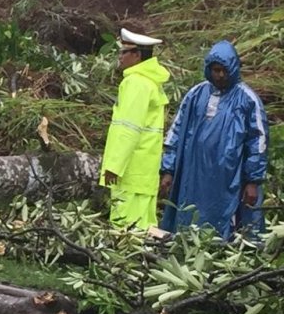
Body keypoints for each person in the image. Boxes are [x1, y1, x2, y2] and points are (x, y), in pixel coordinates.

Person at [160, 40, 268, 239]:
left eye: (223, 71)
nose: (219, 75)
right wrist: (168, 169)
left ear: (233, 69)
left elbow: (258, 143)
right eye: (215, 70)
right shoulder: (195, 95)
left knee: (227, 224)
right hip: (193, 177)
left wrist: (253, 180)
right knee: (190, 220)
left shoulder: (247, 99)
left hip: (228, 178)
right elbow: (176, 133)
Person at [100, 28, 170, 229]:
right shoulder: (150, 82)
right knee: (144, 227)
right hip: (145, 169)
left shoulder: (135, 83)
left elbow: (128, 129)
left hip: (130, 170)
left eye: (123, 52)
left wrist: (114, 166)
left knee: (125, 227)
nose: (119, 57)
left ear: (137, 55)